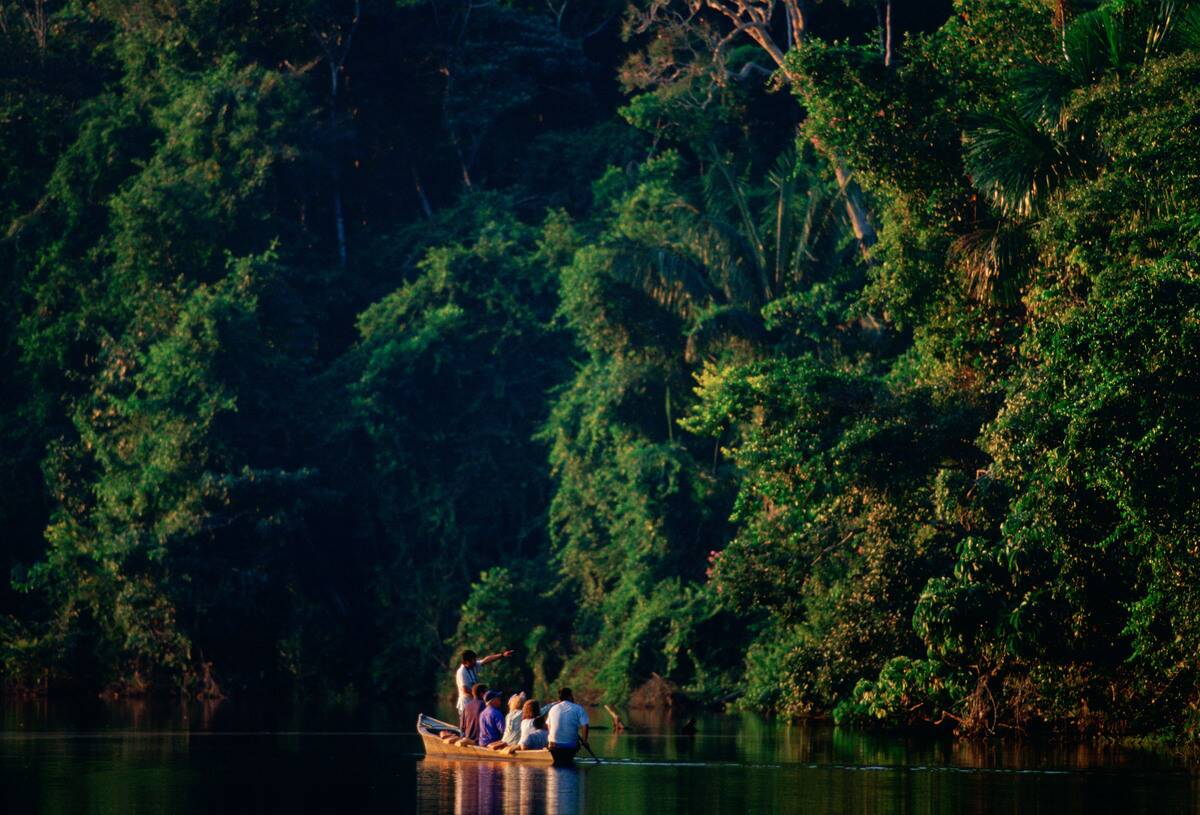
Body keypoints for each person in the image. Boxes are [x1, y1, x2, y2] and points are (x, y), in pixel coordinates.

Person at [455, 648, 514, 722]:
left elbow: (486, 660)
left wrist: (502, 655)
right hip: (466, 703)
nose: (475, 662)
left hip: (474, 702)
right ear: (466, 661)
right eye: (473, 660)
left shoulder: (473, 666)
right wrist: (480, 696)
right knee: (466, 724)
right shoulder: (462, 672)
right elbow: (465, 690)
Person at [546, 687, 589, 764]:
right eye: (572, 695)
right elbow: (585, 726)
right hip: (571, 746)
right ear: (569, 696)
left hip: (554, 746)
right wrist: (585, 741)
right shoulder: (578, 708)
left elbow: (548, 726)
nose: (573, 697)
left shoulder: (553, 708)